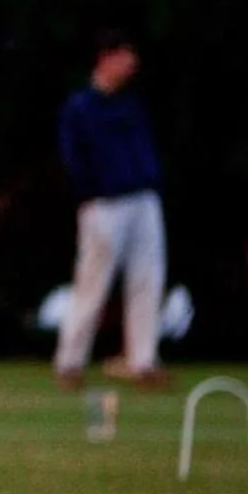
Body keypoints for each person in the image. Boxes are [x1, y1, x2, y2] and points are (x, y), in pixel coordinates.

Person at [54, 31, 167, 389]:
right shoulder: (81, 106)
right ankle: (70, 360)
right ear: (105, 58)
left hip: (143, 198)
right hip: (104, 204)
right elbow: (73, 156)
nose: (131, 65)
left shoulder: (131, 103)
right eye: (124, 56)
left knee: (148, 279)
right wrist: (89, 194)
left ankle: (143, 360)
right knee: (93, 281)